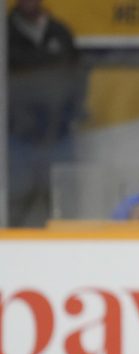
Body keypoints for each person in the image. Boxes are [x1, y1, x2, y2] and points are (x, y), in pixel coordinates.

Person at [8, 0, 82, 226]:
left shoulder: (59, 32)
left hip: (57, 136)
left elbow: (77, 78)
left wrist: (69, 115)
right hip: (17, 138)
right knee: (17, 202)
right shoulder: (5, 33)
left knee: (62, 203)